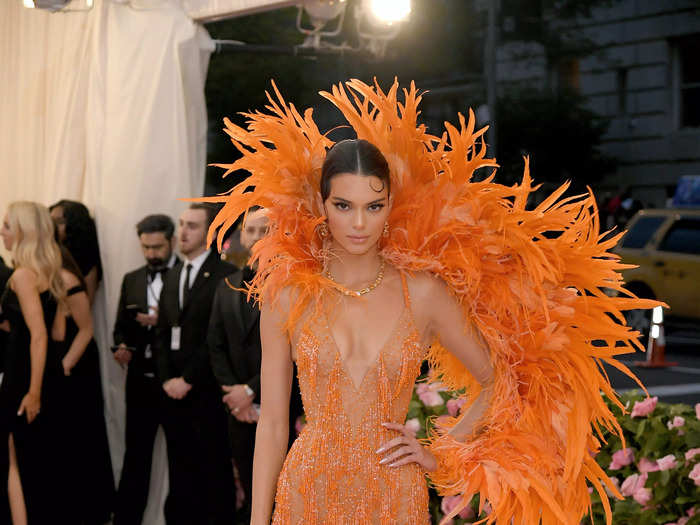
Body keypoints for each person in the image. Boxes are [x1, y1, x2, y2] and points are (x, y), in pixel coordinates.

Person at [200, 80, 656, 524]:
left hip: (395, 494)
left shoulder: (422, 292)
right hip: (308, 491)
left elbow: (498, 380)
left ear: (390, 206)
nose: (359, 222)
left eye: (373, 206)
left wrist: (439, 452)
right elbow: (274, 425)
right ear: (321, 206)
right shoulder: (289, 295)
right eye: (343, 205)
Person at [208, 207, 303, 519]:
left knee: (285, 493)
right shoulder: (226, 285)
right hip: (238, 411)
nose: (258, 237)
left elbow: (295, 350)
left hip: (283, 409)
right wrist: (236, 395)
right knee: (250, 490)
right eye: (251, 230)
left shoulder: (297, 286)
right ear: (242, 236)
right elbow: (215, 344)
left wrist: (251, 391)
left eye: (266, 230)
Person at [0, 201, 84, 523]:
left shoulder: (22, 275)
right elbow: (58, 332)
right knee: (36, 459)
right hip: (43, 373)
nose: (3, 232)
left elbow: (39, 335)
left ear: (22, 231)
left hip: (24, 377)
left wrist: (33, 391)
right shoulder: (53, 274)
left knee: (14, 460)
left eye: (7, 225)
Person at [154, 204, 236, 525]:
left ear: (209, 233)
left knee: (213, 473)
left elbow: (215, 338)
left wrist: (187, 378)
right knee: (180, 471)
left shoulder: (225, 275)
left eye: (192, 226)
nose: (183, 232)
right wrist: (166, 379)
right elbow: (161, 332)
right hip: (173, 394)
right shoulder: (173, 273)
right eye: (181, 224)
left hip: (208, 394)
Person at [112, 214, 178, 525]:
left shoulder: (185, 275)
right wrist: (122, 347)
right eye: (146, 247)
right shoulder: (132, 279)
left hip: (177, 383)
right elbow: (120, 328)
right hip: (139, 382)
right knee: (135, 458)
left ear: (171, 242)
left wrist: (162, 321)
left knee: (183, 460)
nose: (151, 254)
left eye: (157, 247)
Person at [49, 200, 102, 304]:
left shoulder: (87, 261)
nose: (53, 227)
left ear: (74, 225)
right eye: (51, 221)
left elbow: (87, 303)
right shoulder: (48, 253)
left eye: (60, 222)